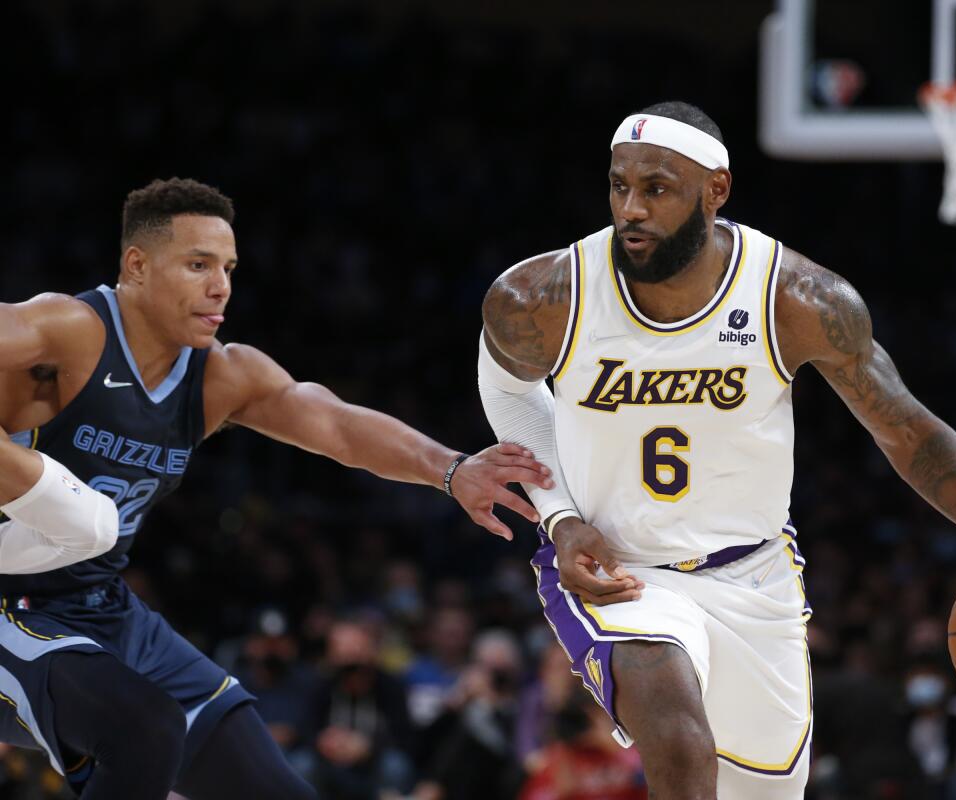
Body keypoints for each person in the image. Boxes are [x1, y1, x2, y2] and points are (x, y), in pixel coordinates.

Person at [477, 101, 956, 799]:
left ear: (716, 191)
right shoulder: (543, 295)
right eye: (620, 185)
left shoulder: (796, 299)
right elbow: (507, 391)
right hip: (618, 570)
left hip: (755, 578)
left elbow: (906, 430)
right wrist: (560, 518)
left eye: (657, 188)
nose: (632, 209)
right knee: (679, 739)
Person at [0, 177, 553, 800]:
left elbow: (337, 425)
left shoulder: (221, 376)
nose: (221, 286)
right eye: (198, 264)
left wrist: (450, 469)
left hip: (97, 604)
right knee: (144, 727)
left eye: (229, 268)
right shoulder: (70, 330)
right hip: (8, 604)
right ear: (137, 266)